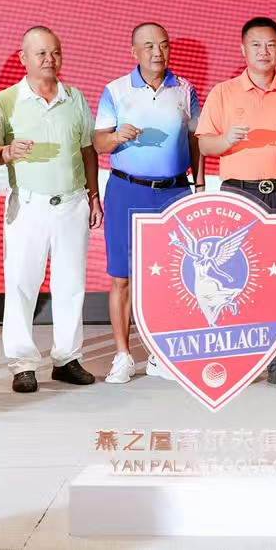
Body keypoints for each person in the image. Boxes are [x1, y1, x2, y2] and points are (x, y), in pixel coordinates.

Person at [196, 17, 276, 391]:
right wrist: (227, 140)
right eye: (256, 45)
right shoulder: (224, 93)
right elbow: (205, 145)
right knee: (237, 279)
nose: (264, 52)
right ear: (243, 49)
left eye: (271, 45)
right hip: (239, 195)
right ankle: (240, 360)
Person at [0, 27, 101, 394]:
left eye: (55, 52)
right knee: (22, 283)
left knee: (71, 284)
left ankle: (67, 359)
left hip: (73, 203)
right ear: (24, 58)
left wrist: (94, 196)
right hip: (28, 204)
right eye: (41, 53)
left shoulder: (75, 97)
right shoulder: (6, 100)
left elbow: (88, 150)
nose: (49, 59)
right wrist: (7, 152)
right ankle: (23, 363)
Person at [94, 22, 201, 386]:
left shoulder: (185, 90)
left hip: (174, 192)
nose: (158, 52)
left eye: (163, 45)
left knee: (171, 276)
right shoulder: (116, 90)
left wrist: (200, 183)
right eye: (149, 45)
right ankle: (123, 355)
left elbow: (196, 140)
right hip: (127, 190)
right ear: (134, 52)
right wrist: (115, 137)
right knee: (122, 277)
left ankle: (159, 351)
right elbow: (98, 143)